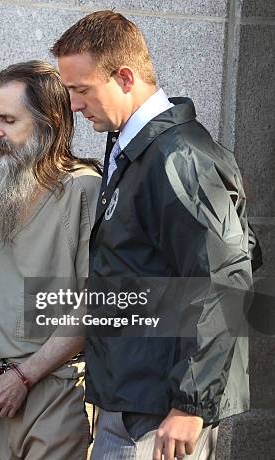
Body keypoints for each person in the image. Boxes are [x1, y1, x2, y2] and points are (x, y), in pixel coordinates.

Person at [51, 10, 260, 460]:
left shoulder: (178, 157)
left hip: (158, 416)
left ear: (125, 77)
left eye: (81, 90)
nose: (74, 106)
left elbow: (224, 280)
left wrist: (189, 404)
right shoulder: (133, 146)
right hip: (132, 402)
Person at [0, 60, 101, 460]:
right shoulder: (7, 189)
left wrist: (24, 376)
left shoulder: (83, 190)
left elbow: (97, 303)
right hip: (2, 389)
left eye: (9, 120)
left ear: (47, 123)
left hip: (57, 390)